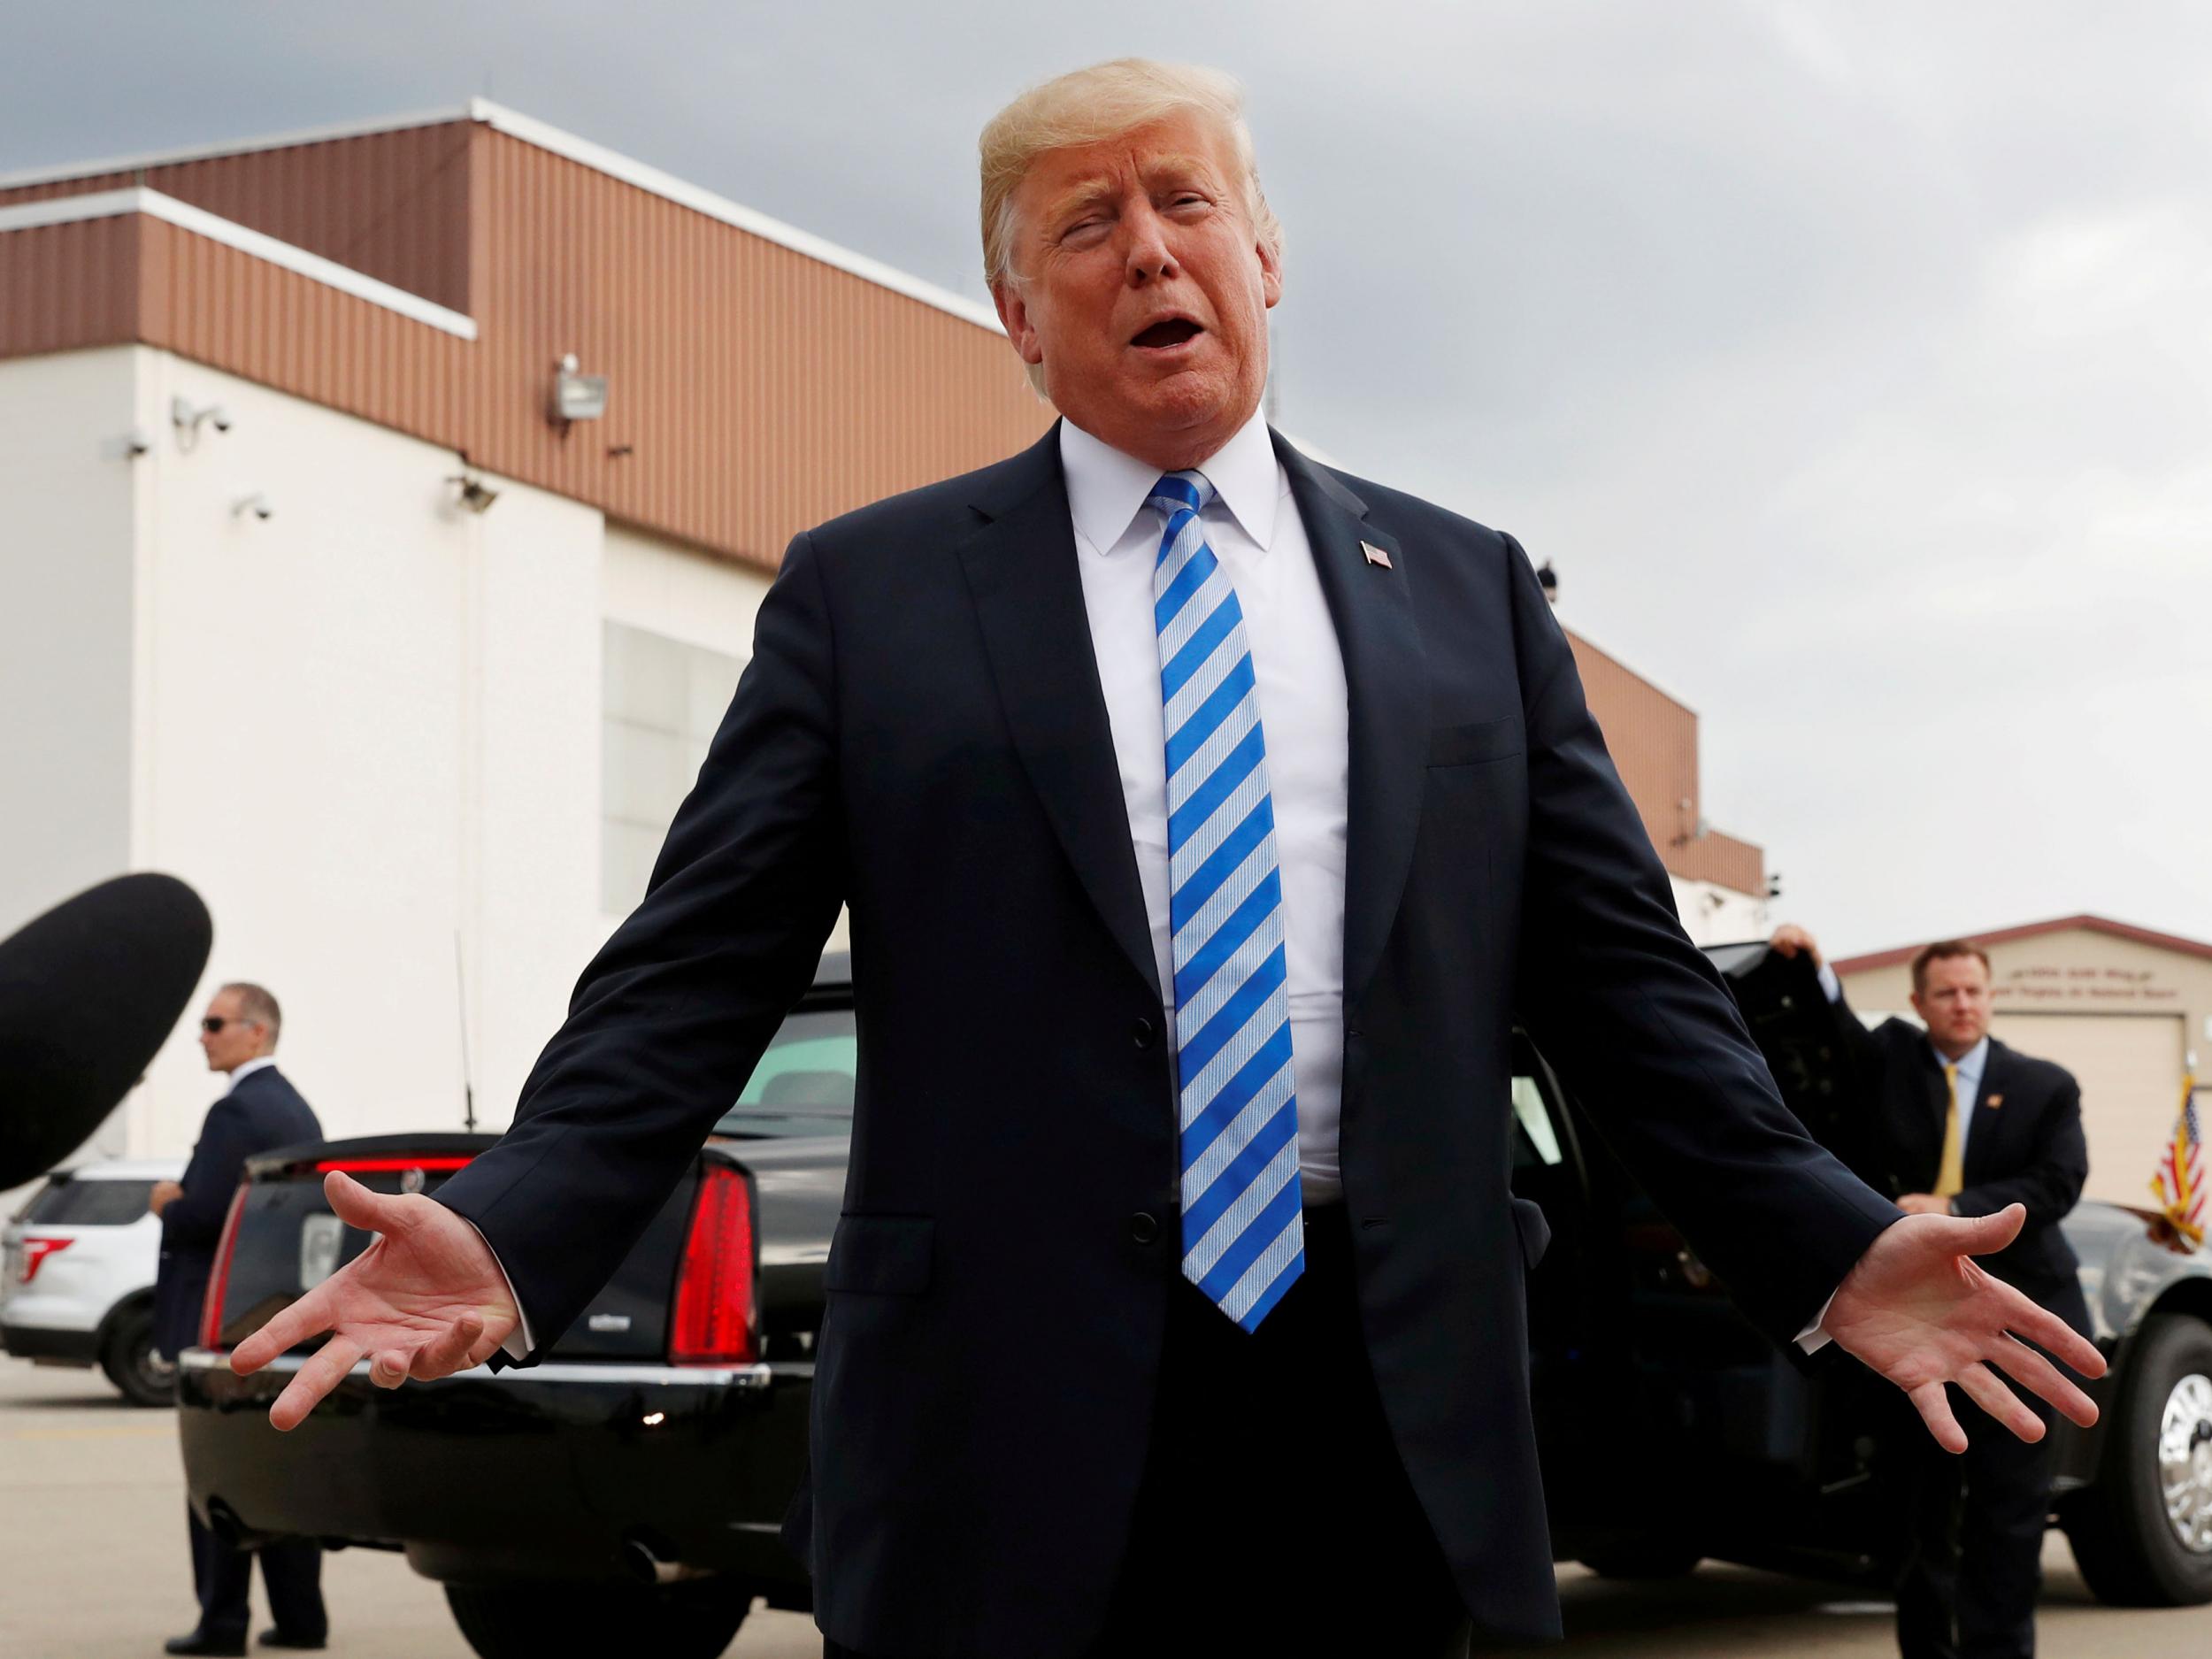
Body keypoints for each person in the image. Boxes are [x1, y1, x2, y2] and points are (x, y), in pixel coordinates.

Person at [234, 60, 2103, 1659]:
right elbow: (695, 967)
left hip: (1376, 1401)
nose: (1146, 248)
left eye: (1184, 203)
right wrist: (515, 1218)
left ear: (1265, 256)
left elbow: (1620, 983)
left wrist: (1827, 1244)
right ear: (1017, 317)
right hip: (1001, 1410)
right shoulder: (872, 596)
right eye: (1080, 225)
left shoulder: (1461, 594)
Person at [1772, 926, 2090, 1659]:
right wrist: (1817, 969)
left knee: (2010, 1511)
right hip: (1914, 1324)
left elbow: (2057, 1183)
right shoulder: (1890, 1057)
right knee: (1918, 1507)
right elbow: (1837, 1036)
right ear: (1919, 1000)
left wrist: (1951, 1206)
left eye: (1974, 990)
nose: (1962, 1003)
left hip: (2020, 1321)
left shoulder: (2046, 1085)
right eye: (1945, 992)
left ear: (1991, 996)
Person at [151, 982, 326, 1656]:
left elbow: (205, 1217)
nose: (202, 1034)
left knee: (219, 1472)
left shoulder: (237, 1111)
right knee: (280, 1467)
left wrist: (168, 1201)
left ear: (257, 1031)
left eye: (214, 1022)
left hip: (222, 1325)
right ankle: (302, 1618)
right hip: (284, 1319)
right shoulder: (297, 1109)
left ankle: (222, 1621)